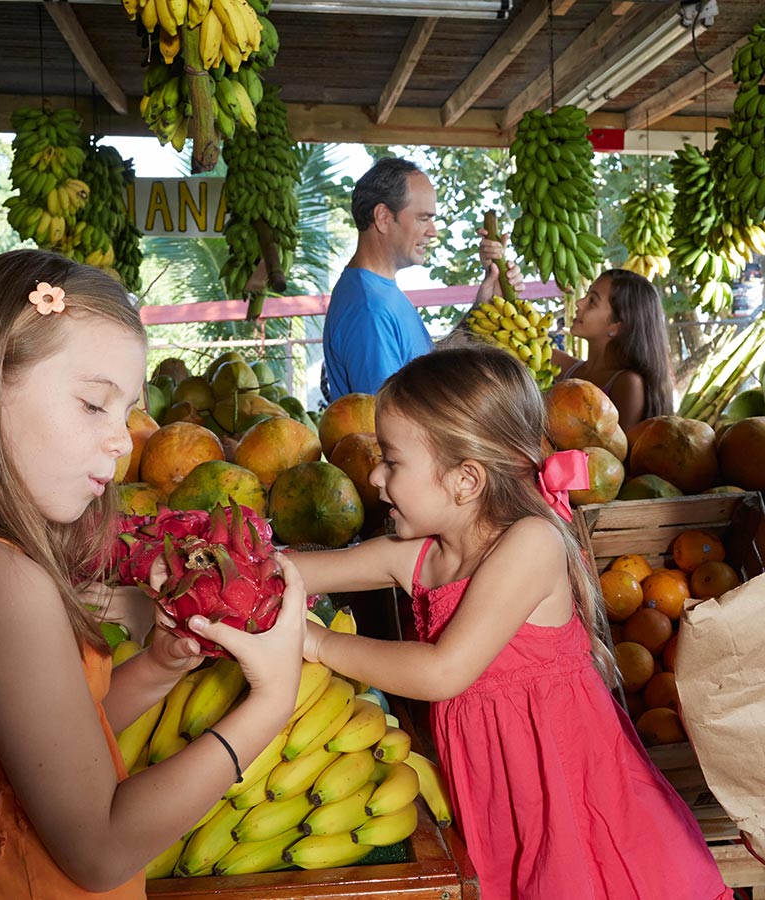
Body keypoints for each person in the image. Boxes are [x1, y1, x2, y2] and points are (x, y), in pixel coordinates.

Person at [0, 250, 305, 897]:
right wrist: (272, 702)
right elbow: (99, 849)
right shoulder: (0, 582)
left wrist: (159, 667)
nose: (124, 441)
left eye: (127, 411)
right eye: (92, 405)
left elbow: (42, 741)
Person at [288, 345, 728, 900]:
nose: (374, 476)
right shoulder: (422, 556)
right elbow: (302, 570)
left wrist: (317, 642)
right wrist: (210, 562)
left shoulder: (531, 543)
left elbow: (443, 672)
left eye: (392, 461)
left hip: (565, 793)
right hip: (500, 794)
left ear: (466, 480)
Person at [322, 156, 518, 398]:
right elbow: (389, 421)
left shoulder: (379, 291)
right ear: (383, 217)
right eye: (423, 218)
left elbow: (424, 370)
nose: (433, 232)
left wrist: (482, 307)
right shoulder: (369, 309)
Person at [551, 268, 675, 431]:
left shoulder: (628, 384)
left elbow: (616, 452)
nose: (579, 303)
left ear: (616, 326)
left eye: (592, 301)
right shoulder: (569, 369)